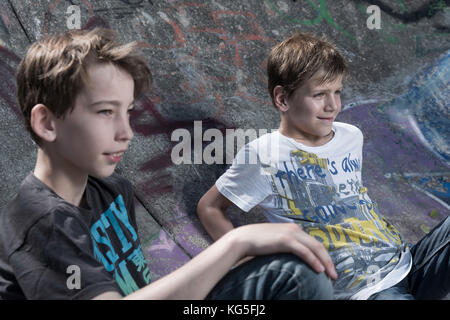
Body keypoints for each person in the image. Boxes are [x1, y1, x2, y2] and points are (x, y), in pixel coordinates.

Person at [0, 28, 336, 300]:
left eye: (127, 112)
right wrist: (238, 242)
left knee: (292, 273)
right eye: (105, 112)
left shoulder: (111, 190)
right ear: (46, 123)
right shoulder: (38, 218)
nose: (126, 132)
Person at [197, 32, 449, 300]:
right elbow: (210, 207)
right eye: (319, 94)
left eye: (337, 92)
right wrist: (246, 261)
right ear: (282, 99)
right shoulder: (263, 155)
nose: (333, 105)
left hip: (408, 262)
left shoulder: (351, 136)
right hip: (365, 291)